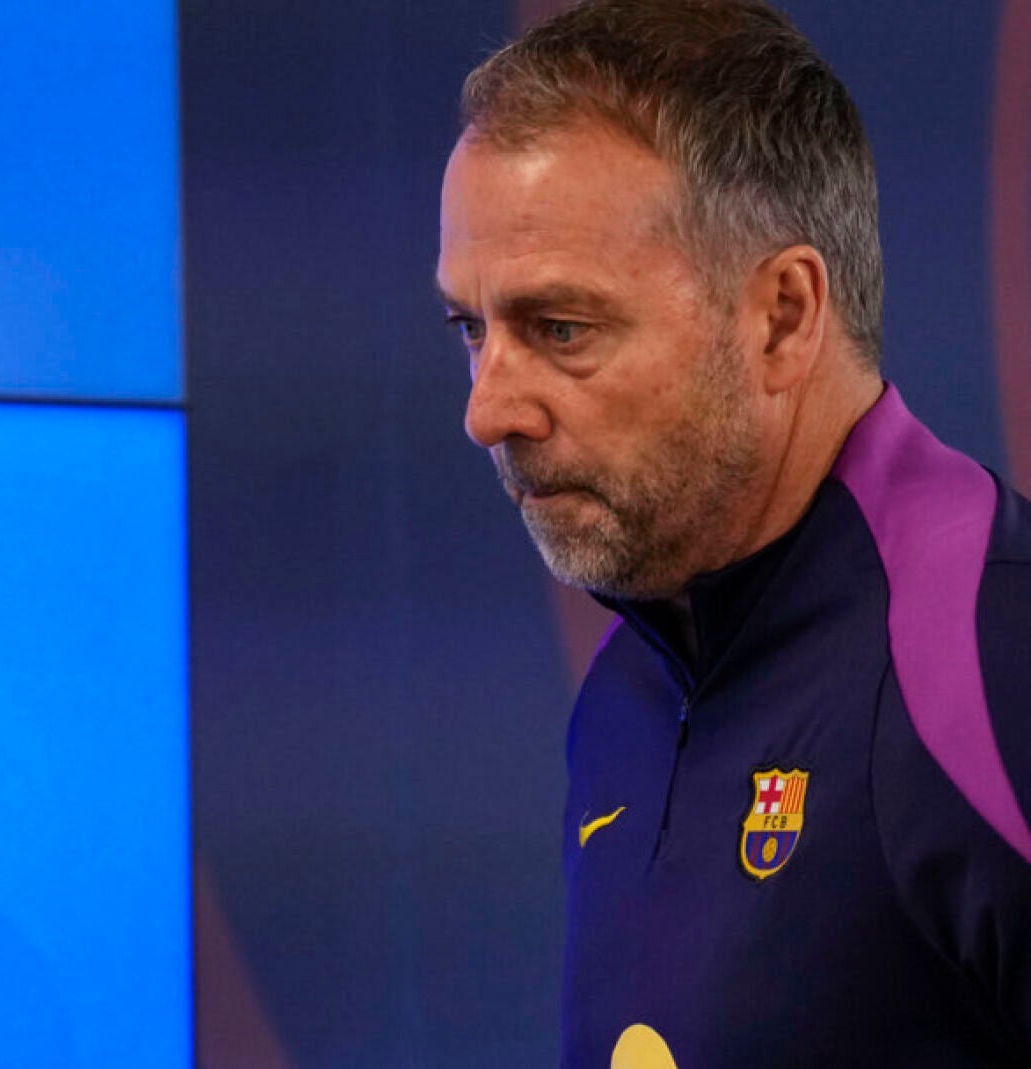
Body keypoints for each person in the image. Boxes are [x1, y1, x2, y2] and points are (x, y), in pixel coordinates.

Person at [435, 1, 1031, 1065]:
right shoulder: (628, 683)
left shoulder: (991, 659)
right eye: (471, 327)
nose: (488, 409)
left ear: (783, 315)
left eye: (560, 328)